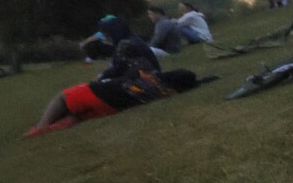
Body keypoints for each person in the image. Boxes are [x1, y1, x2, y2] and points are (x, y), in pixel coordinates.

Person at [24, 37, 201, 137]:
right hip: (113, 107)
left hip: (105, 94)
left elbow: (120, 75)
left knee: (63, 96)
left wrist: (104, 80)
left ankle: (40, 128)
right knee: (80, 114)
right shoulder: (163, 91)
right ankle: (57, 126)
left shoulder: (142, 71)